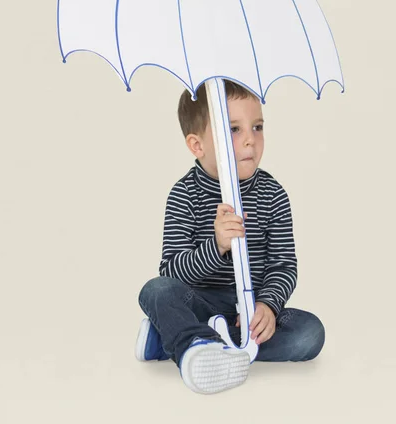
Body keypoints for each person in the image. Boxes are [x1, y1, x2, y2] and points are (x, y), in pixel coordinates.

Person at [135, 80, 325, 394]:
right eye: (234, 129)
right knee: (156, 290)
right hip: (198, 303)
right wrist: (216, 246)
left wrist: (268, 305)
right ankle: (196, 339)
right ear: (198, 145)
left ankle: (175, 341)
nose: (251, 140)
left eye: (258, 126)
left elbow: (283, 266)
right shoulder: (185, 195)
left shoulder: (273, 195)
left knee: (309, 334)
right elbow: (171, 272)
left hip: (246, 314)